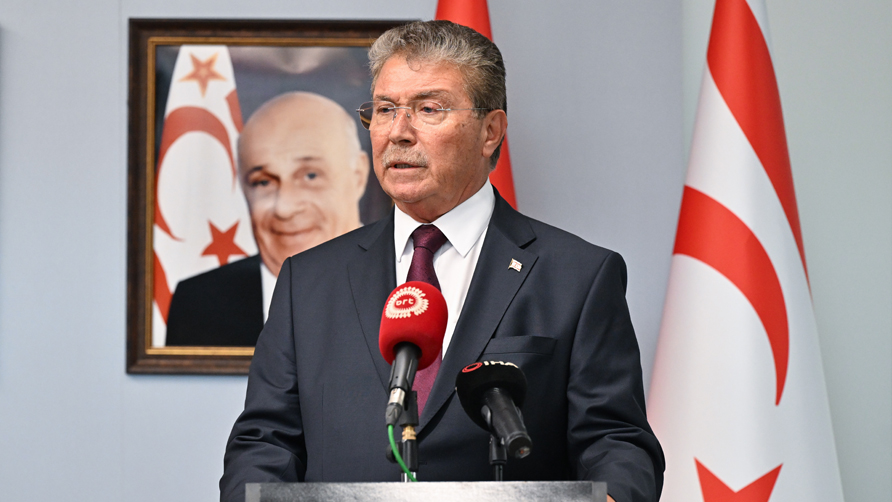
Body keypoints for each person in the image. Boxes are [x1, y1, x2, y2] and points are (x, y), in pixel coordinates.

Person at [220, 21, 664, 502]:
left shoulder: (578, 277)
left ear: (490, 131)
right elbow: (263, 443)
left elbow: (616, 442)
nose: (398, 133)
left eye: (428, 109)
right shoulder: (308, 280)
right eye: (385, 109)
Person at [165, 92, 369, 346]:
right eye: (263, 182)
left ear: (358, 175)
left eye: (310, 176)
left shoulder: (401, 286)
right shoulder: (199, 305)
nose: (285, 207)